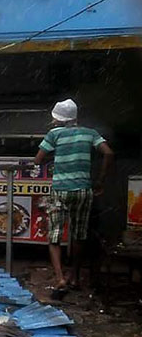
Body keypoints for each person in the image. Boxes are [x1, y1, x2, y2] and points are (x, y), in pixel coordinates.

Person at [33, 99, 114, 293]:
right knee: (79, 234)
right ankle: (74, 277)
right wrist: (100, 180)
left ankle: (60, 278)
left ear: (57, 119)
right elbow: (109, 153)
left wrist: (55, 158)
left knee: (54, 236)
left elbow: (38, 159)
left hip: (60, 190)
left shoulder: (54, 134)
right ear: (76, 117)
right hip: (83, 191)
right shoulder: (90, 133)